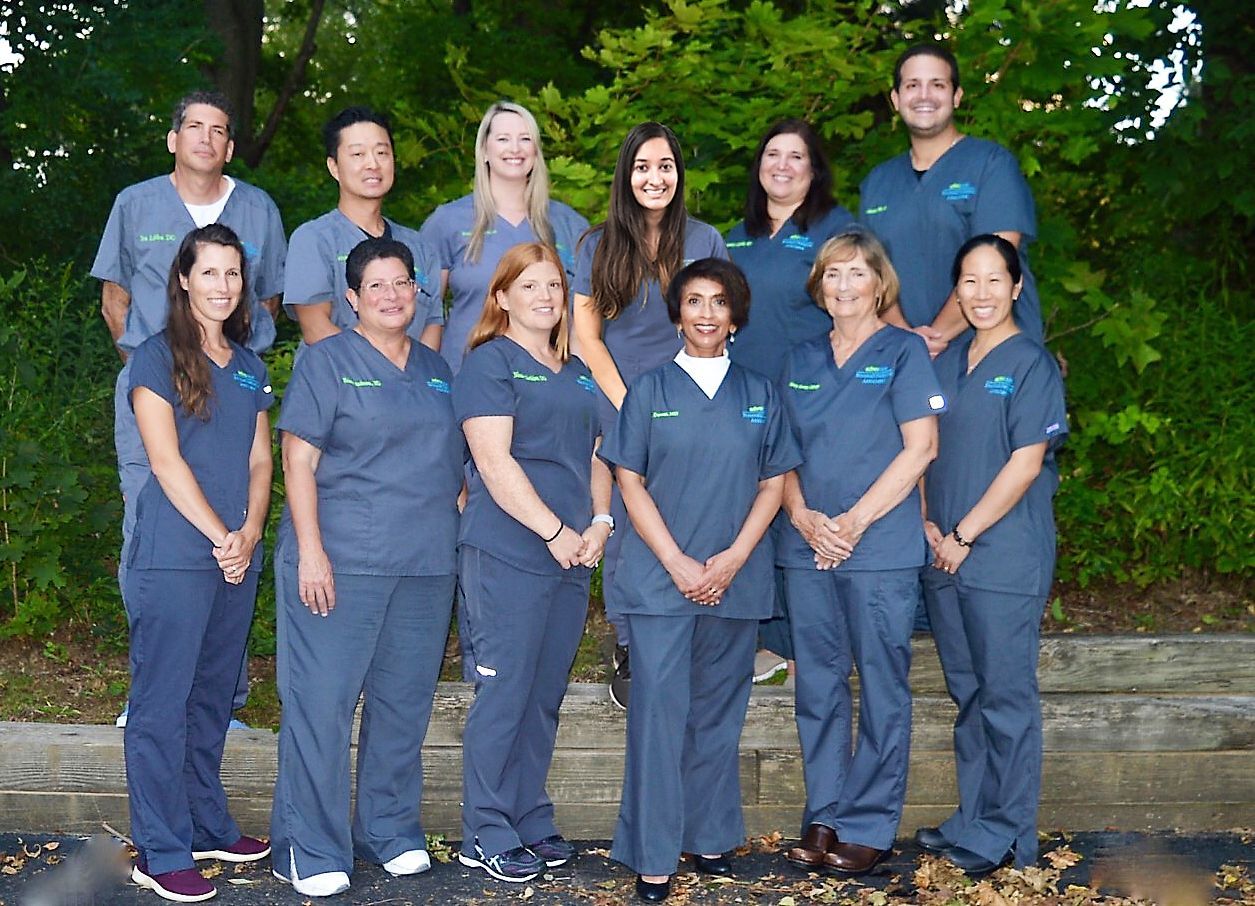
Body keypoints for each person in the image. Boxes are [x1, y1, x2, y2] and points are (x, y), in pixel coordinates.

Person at [599, 258, 800, 902]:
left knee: (718, 716)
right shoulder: (649, 390)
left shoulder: (762, 394)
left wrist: (734, 557)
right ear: (677, 312)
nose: (706, 313)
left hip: (735, 581)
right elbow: (628, 481)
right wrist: (680, 564)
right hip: (661, 583)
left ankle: (709, 836)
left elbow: (774, 483)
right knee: (659, 716)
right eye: (693, 301)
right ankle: (654, 854)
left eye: (718, 302)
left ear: (735, 315)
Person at [268, 238, 463, 898]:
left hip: (424, 565)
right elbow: (298, 461)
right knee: (321, 707)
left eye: (401, 283)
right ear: (350, 298)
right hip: (340, 561)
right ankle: (308, 847)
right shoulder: (324, 362)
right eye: (375, 286)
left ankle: (389, 828)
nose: (390, 295)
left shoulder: (438, 370)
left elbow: (455, 467)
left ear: (416, 291)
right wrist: (311, 550)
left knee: (401, 707)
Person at [92, 90, 286, 725]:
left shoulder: (258, 210)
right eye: (194, 127)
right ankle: (151, 689)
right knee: (150, 538)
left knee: (234, 535)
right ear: (173, 139)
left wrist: (226, 376)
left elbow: (268, 306)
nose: (206, 137)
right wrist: (157, 380)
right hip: (156, 397)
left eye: (220, 130)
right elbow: (115, 300)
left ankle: (219, 700)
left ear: (231, 146)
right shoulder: (135, 204)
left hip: (234, 400)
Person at [777, 229, 945, 876]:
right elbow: (779, 454)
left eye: (856, 274)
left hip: (877, 548)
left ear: (880, 283)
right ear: (817, 287)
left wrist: (850, 523)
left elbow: (920, 448)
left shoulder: (904, 352)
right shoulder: (797, 360)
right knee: (816, 686)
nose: (843, 286)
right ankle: (825, 813)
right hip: (808, 547)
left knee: (880, 686)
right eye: (830, 275)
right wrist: (803, 517)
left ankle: (868, 823)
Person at [123, 224, 274, 903]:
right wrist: (222, 536)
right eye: (209, 272)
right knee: (162, 704)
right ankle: (159, 847)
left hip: (235, 556)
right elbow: (164, 460)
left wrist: (250, 531)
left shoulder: (250, 364)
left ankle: (206, 822)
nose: (222, 285)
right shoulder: (155, 358)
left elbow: (259, 460)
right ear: (183, 278)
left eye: (233, 274)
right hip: (179, 556)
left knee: (213, 698)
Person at [454, 242, 612, 884]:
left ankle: (526, 816)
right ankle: (484, 831)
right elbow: (494, 462)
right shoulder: (488, 364)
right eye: (531, 286)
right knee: (505, 692)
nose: (546, 297)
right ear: (502, 298)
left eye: (555, 286)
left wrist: (598, 523)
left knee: (543, 696)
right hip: (510, 550)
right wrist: (552, 530)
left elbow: (601, 451)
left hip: (572, 553)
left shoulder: (578, 370)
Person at [915, 235, 1068, 876]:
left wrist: (964, 534)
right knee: (970, 694)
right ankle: (974, 817)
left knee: (1005, 697)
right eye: (967, 283)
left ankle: (1009, 833)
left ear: (1016, 288)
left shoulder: (1030, 364)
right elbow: (921, 445)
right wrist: (927, 521)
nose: (980, 294)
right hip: (942, 554)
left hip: (1000, 555)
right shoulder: (946, 364)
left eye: (992, 281)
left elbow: (1025, 464)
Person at [572, 121, 729, 709]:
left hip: (695, 398)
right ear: (626, 175)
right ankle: (631, 643)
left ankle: (700, 628)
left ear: (678, 174)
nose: (654, 177)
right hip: (621, 398)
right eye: (642, 166)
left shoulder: (706, 238)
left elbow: (718, 322)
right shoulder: (596, 245)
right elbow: (587, 335)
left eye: (665, 166)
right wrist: (632, 407)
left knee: (694, 509)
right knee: (628, 524)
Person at [724, 118, 856, 687]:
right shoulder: (732, 237)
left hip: (810, 396)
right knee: (746, 511)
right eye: (772, 153)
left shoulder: (835, 228)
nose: (782, 164)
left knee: (803, 514)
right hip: (737, 398)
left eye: (796, 156)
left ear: (814, 168)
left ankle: (811, 647)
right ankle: (759, 640)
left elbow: (865, 299)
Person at [859, 43, 1042, 360]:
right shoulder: (878, 181)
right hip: (904, 359)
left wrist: (931, 339)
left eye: (938, 85)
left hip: (988, 355)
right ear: (896, 99)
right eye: (912, 85)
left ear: (956, 96)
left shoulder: (991, 165)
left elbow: (998, 261)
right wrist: (905, 338)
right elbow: (870, 269)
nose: (924, 95)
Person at [420, 101, 589, 374]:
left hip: (551, 383)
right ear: (485, 150)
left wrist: (581, 382)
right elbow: (425, 314)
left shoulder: (570, 225)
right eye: (503, 139)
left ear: (536, 151)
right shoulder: (448, 221)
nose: (515, 149)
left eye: (525, 139)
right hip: (466, 378)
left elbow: (583, 321)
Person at [284, 106, 443, 350]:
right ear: (334, 167)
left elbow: (432, 324)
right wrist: (382, 374)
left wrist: (413, 379)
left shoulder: (421, 247)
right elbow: (316, 329)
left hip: (410, 384)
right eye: (358, 154)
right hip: (337, 383)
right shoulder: (313, 240)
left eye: (382, 153)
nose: (373, 164)